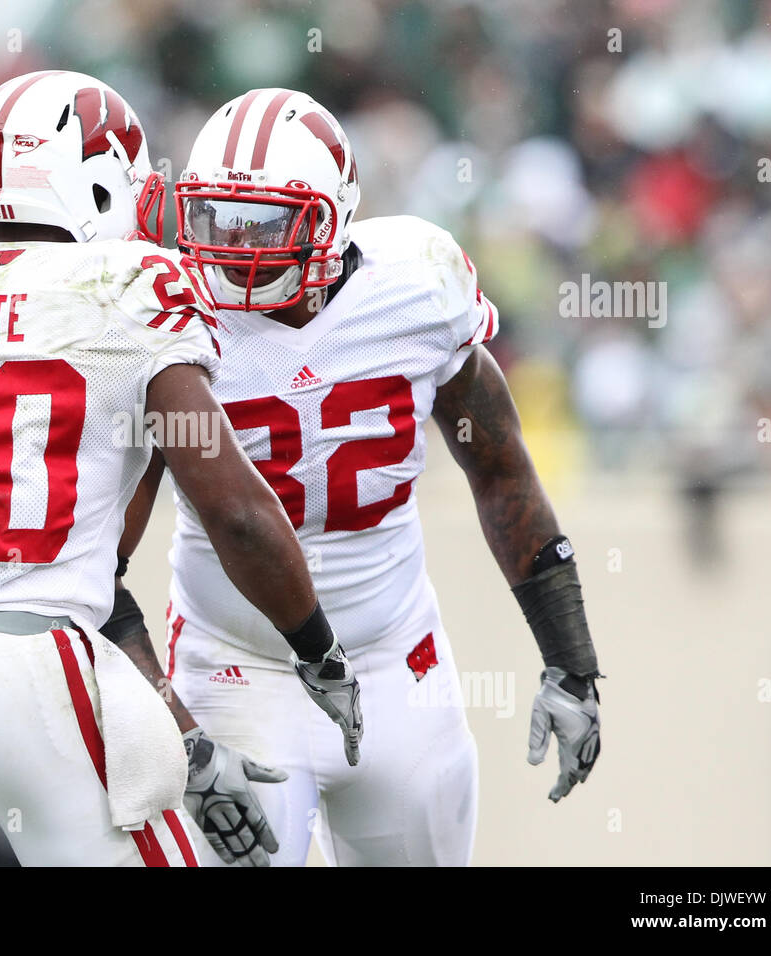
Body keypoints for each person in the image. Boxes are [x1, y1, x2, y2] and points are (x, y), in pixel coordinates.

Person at [0, 72, 362, 867]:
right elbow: (236, 513)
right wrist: (318, 649)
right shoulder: (133, 291)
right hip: (35, 669)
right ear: (95, 186)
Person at [113, 88, 602, 866]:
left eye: (265, 223)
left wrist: (572, 662)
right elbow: (99, 564)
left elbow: (500, 470)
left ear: (333, 218)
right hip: (234, 669)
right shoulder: (167, 314)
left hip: (397, 662)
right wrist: (178, 729)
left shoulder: (413, 286)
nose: (237, 248)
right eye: (217, 219)